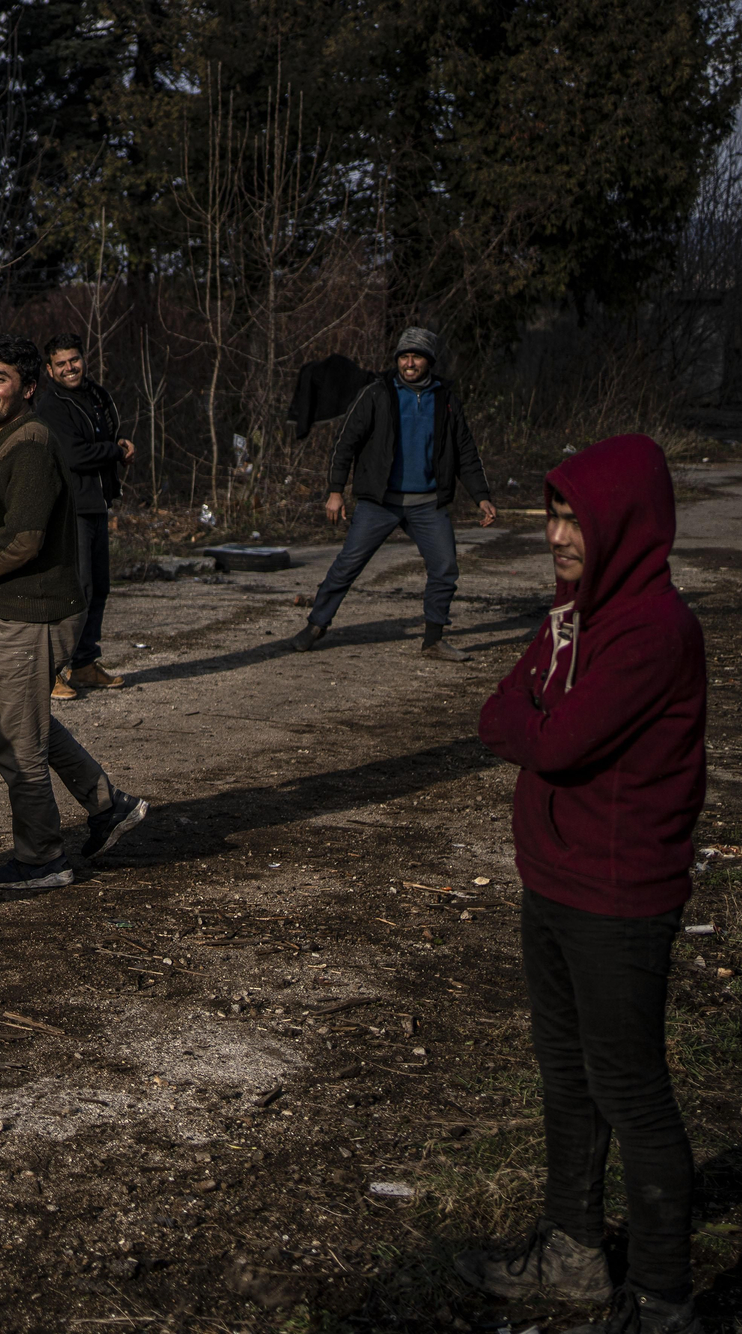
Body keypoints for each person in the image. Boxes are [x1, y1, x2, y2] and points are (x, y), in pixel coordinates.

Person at [460, 433, 707, 1334]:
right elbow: (496, 714)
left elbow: (554, 741)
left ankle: (664, 1299)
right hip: (553, 880)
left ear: (627, 526)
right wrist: (538, 714)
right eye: (555, 514)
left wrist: (540, 716)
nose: (559, 535)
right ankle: (572, 1256)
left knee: (631, 1093)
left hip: (619, 898)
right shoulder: (574, 615)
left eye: (579, 519)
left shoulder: (651, 632)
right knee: (566, 1081)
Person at [0, 335, 147, 888]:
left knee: (17, 744)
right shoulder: (11, 433)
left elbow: (25, 539)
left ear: (27, 388)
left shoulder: (30, 443)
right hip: (31, 606)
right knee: (30, 723)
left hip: (36, 612)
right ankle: (109, 807)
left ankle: (41, 859)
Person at [289, 327, 497, 661]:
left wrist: (481, 495)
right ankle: (315, 625)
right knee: (347, 565)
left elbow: (465, 452)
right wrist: (335, 491)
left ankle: (433, 640)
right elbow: (346, 443)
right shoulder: (377, 394)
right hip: (381, 501)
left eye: (416, 356)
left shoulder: (446, 400)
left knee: (445, 567)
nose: (409, 362)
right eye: (404, 356)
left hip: (428, 502)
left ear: (428, 361)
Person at [36, 334, 136, 698]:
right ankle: (48, 672)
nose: (69, 368)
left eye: (74, 360)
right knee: (74, 591)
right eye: (61, 364)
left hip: (95, 503)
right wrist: (113, 450)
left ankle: (85, 664)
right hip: (70, 507)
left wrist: (119, 443)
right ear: (49, 369)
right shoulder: (51, 404)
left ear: (83, 359)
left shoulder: (94, 395)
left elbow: (104, 433)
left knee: (99, 587)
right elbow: (75, 455)